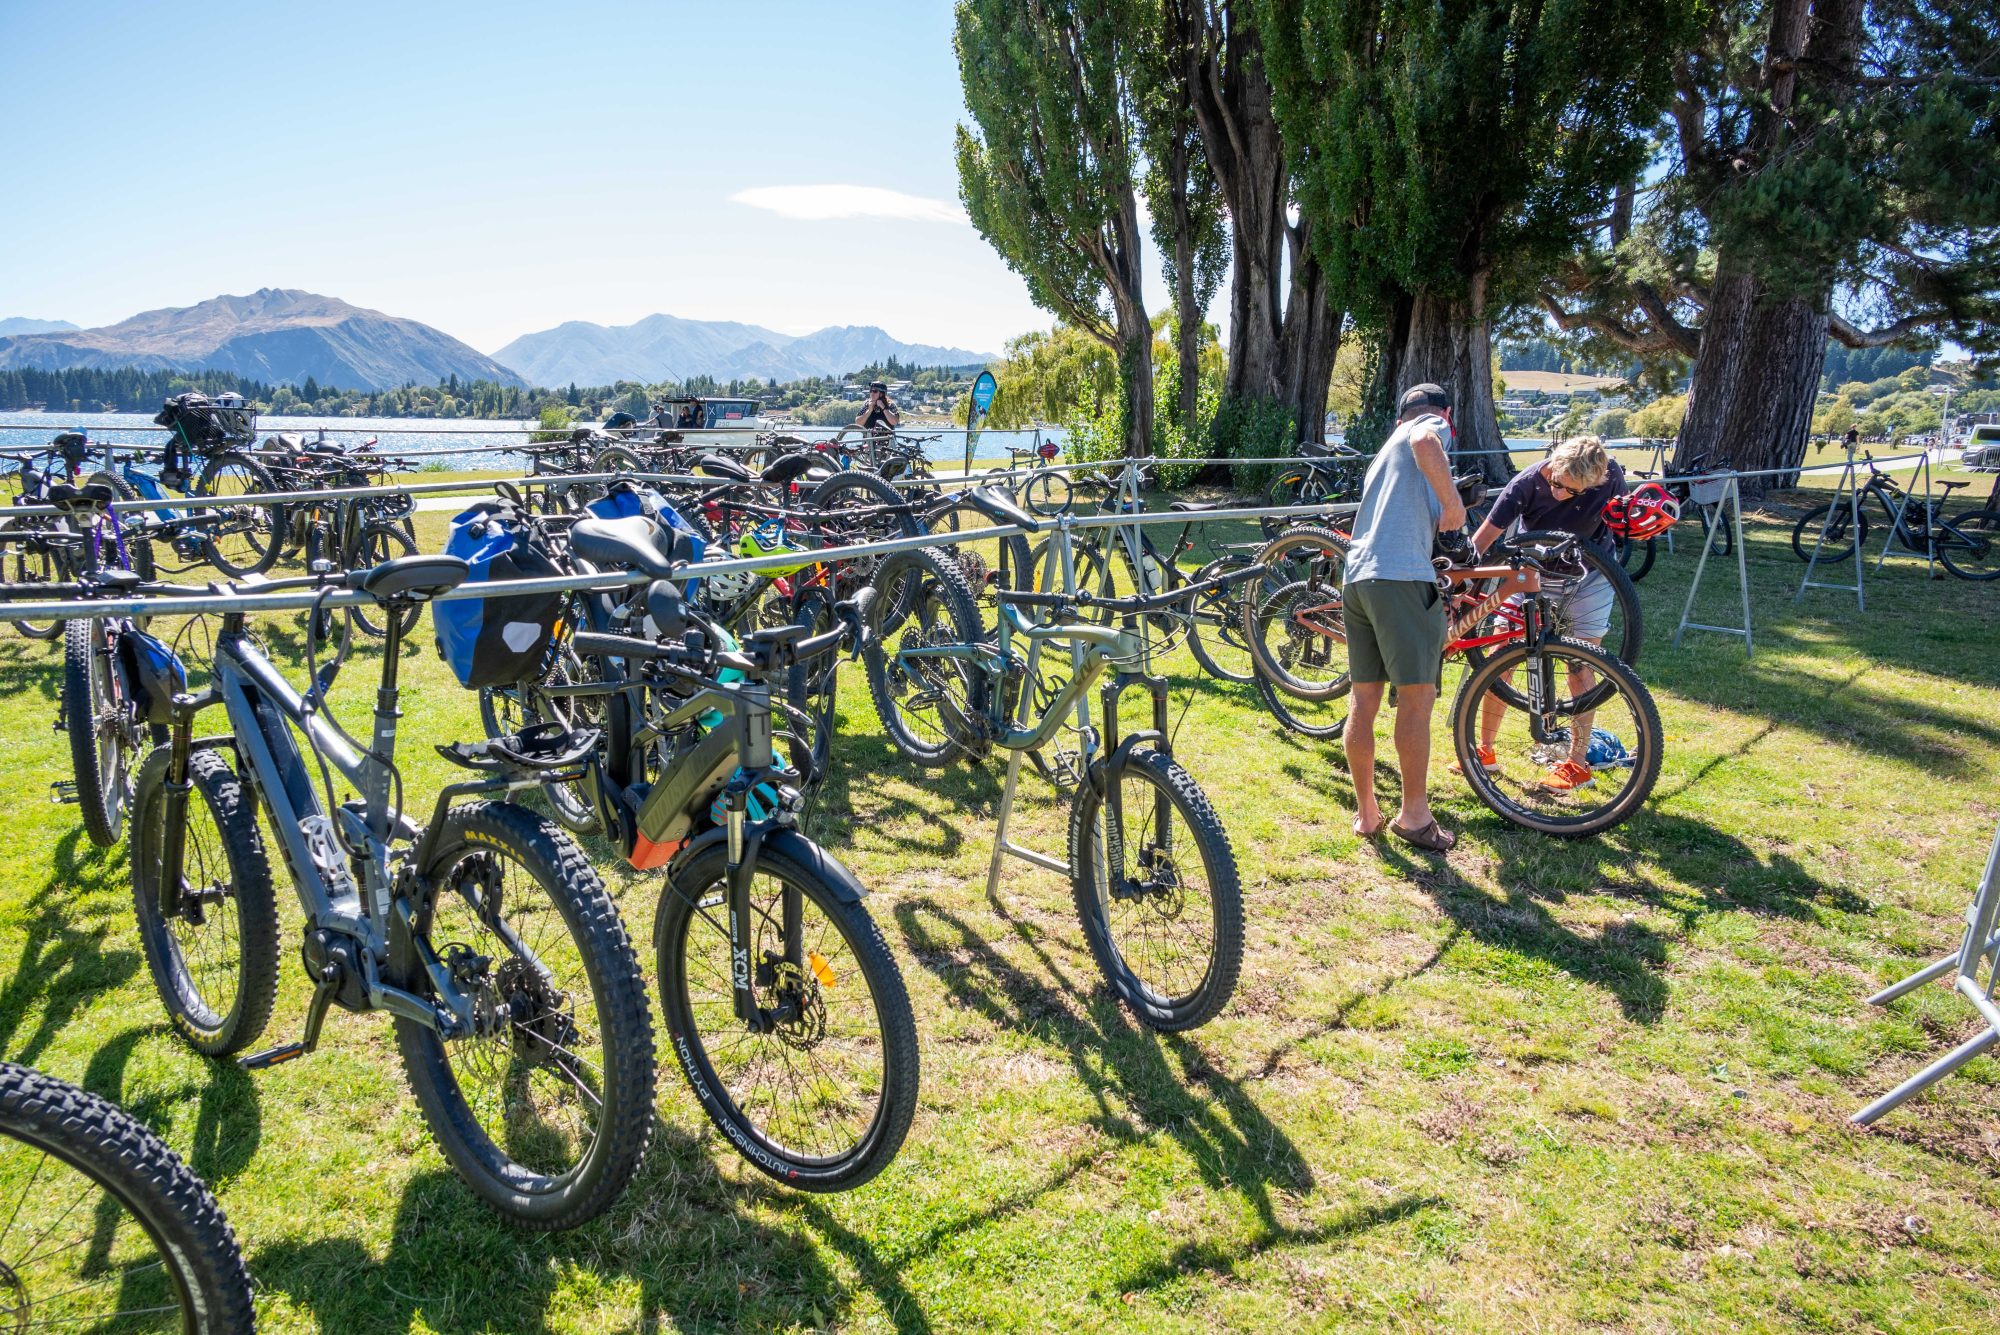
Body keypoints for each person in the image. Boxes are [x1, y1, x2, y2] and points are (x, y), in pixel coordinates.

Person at [1341, 383, 1469, 852]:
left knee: (1364, 700)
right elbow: (1425, 443)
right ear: (1446, 413)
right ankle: (1414, 817)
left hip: (1358, 579)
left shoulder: (1382, 452)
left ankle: (1367, 814)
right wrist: (1453, 503)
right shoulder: (1427, 427)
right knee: (1417, 700)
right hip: (1400, 577)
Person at [1458, 434, 1623, 792]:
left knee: (1581, 665)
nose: (1561, 494)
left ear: (1596, 480)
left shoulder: (1611, 477)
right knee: (1501, 657)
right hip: (1531, 573)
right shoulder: (1528, 482)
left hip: (1588, 577)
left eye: (1573, 492)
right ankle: (1484, 750)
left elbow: (1622, 520)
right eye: (1556, 484)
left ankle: (1576, 766)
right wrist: (1460, 585)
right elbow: (1484, 539)